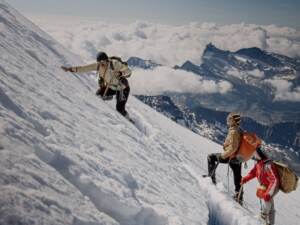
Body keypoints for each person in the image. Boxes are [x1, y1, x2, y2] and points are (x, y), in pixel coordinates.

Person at [61, 52, 132, 118]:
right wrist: (71, 69)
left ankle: (127, 118)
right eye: (99, 62)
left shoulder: (115, 63)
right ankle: (105, 103)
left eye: (102, 62)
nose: (101, 64)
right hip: (111, 87)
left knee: (120, 109)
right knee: (98, 95)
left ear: (106, 60)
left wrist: (120, 73)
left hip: (122, 88)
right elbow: (84, 68)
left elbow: (128, 71)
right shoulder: (98, 66)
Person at [207, 112, 243, 203]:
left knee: (211, 157)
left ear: (233, 121)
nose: (228, 120)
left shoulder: (234, 131)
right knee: (237, 176)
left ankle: (211, 179)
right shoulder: (238, 130)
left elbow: (233, 147)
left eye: (230, 119)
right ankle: (239, 196)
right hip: (238, 158)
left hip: (231, 156)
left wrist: (224, 155)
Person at [241, 148, 279, 225]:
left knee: (267, 199)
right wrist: (245, 179)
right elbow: (253, 173)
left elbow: (274, 180)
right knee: (270, 206)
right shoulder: (258, 163)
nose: (254, 155)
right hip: (265, 185)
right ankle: (270, 223)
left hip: (273, 186)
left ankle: (263, 216)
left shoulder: (268, 165)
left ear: (260, 154)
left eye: (256, 153)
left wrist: (269, 193)